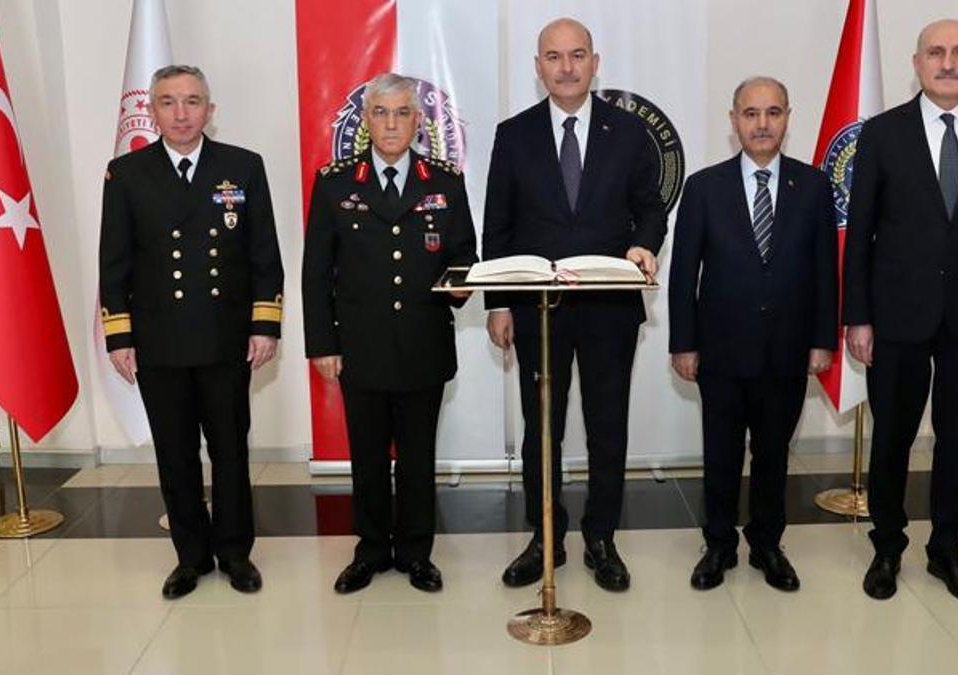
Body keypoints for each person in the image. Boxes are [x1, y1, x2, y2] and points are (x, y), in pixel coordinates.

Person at [842, 19, 958, 604]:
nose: (947, 63)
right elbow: (860, 232)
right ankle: (887, 546)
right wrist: (857, 316)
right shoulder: (882, 133)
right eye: (935, 52)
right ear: (917, 62)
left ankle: (947, 550)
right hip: (896, 316)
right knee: (892, 437)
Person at [482, 17, 667, 592]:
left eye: (577, 55)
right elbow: (498, 225)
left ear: (595, 62)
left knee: (607, 426)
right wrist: (498, 303)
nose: (566, 67)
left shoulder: (629, 132)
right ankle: (546, 537)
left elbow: (652, 208)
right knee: (542, 429)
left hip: (610, 306)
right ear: (538, 67)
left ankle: (601, 539)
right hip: (538, 310)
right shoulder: (513, 135)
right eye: (554, 57)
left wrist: (645, 243)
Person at [99, 65, 283, 599]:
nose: (181, 113)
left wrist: (264, 325)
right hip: (159, 341)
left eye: (193, 101)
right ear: (151, 110)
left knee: (230, 451)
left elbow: (263, 254)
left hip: (226, 339)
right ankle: (191, 556)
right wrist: (119, 336)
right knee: (175, 455)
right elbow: (114, 261)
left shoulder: (243, 167)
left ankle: (235, 552)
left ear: (210, 109)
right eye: (168, 102)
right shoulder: (126, 173)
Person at [303, 73, 478, 594]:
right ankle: (372, 549)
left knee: (419, 457)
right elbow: (317, 271)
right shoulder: (336, 182)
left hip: (424, 342)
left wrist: (459, 287)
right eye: (381, 113)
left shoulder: (444, 180)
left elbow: (464, 254)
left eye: (403, 112)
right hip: (361, 346)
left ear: (418, 121)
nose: (392, 123)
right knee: (369, 457)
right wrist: (323, 344)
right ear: (366, 120)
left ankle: (417, 553)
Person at [668, 77, 837, 592]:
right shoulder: (703, 187)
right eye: (751, 113)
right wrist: (684, 343)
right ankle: (719, 544)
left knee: (773, 454)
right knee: (720, 453)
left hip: (787, 349)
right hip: (720, 349)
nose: (762, 124)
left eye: (773, 113)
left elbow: (825, 270)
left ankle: (767, 544)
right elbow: (684, 273)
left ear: (787, 118)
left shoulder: (813, 187)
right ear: (734, 120)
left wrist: (822, 339)